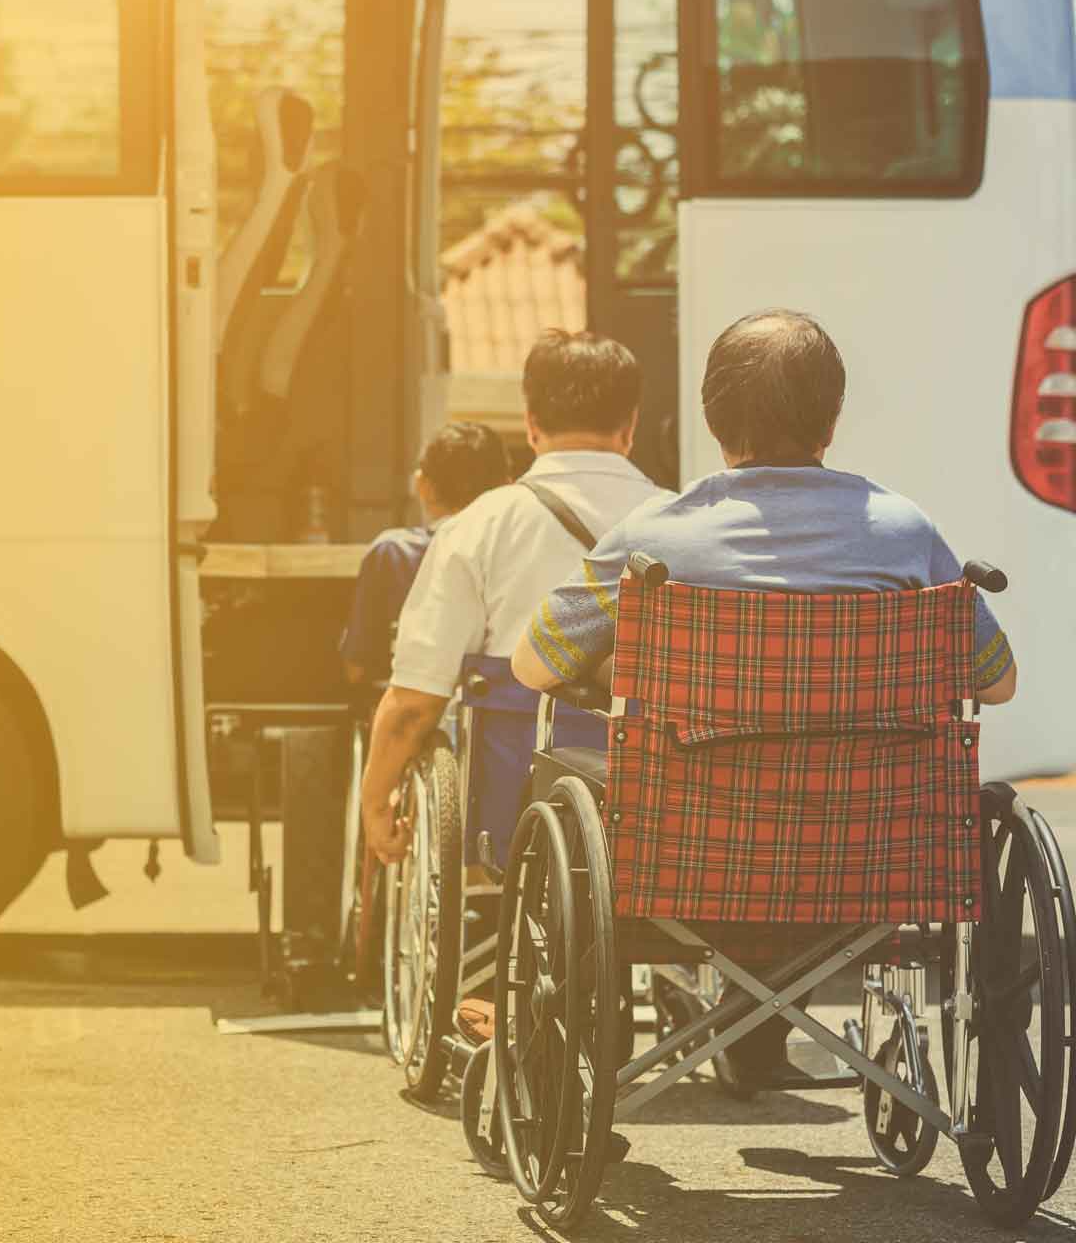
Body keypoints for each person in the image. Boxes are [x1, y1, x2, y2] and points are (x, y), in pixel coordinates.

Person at [511, 308, 1018, 1080]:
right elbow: (998, 681)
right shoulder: (904, 532)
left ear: (713, 416)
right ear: (833, 417)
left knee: (573, 765)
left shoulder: (658, 538)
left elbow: (534, 665)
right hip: (874, 854)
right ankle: (769, 1034)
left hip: (693, 856)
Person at [360, 331, 663, 865]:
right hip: (651, 818)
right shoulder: (678, 524)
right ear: (631, 425)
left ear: (531, 423)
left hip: (510, 817)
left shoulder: (479, 525)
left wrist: (374, 801)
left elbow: (414, 704)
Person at [340, 422, 510, 686]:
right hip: (495, 710)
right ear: (507, 485)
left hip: (411, 714)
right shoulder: (516, 548)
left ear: (423, 486)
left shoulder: (393, 553)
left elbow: (357, 668)